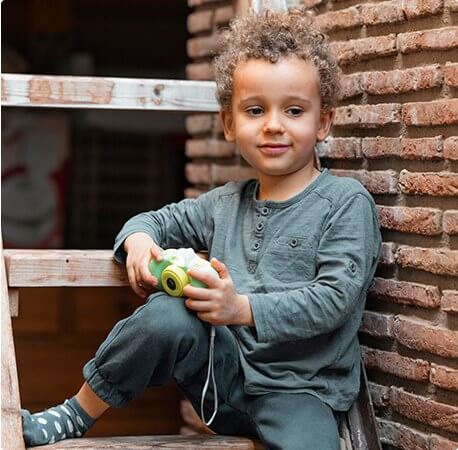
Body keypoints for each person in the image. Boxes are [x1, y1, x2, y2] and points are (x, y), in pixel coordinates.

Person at [21, 9, 381, 450]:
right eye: (255, 110)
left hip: (302, 393)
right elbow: (151, 221)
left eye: (293, 110)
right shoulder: (224, 203)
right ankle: (76, 413)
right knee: (166, 314)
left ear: (323, 121)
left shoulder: (345, 203)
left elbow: (335, 299)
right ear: (229, 123)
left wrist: (241, 308)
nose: (273, 125)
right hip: (221, 380)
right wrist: (139, 243)